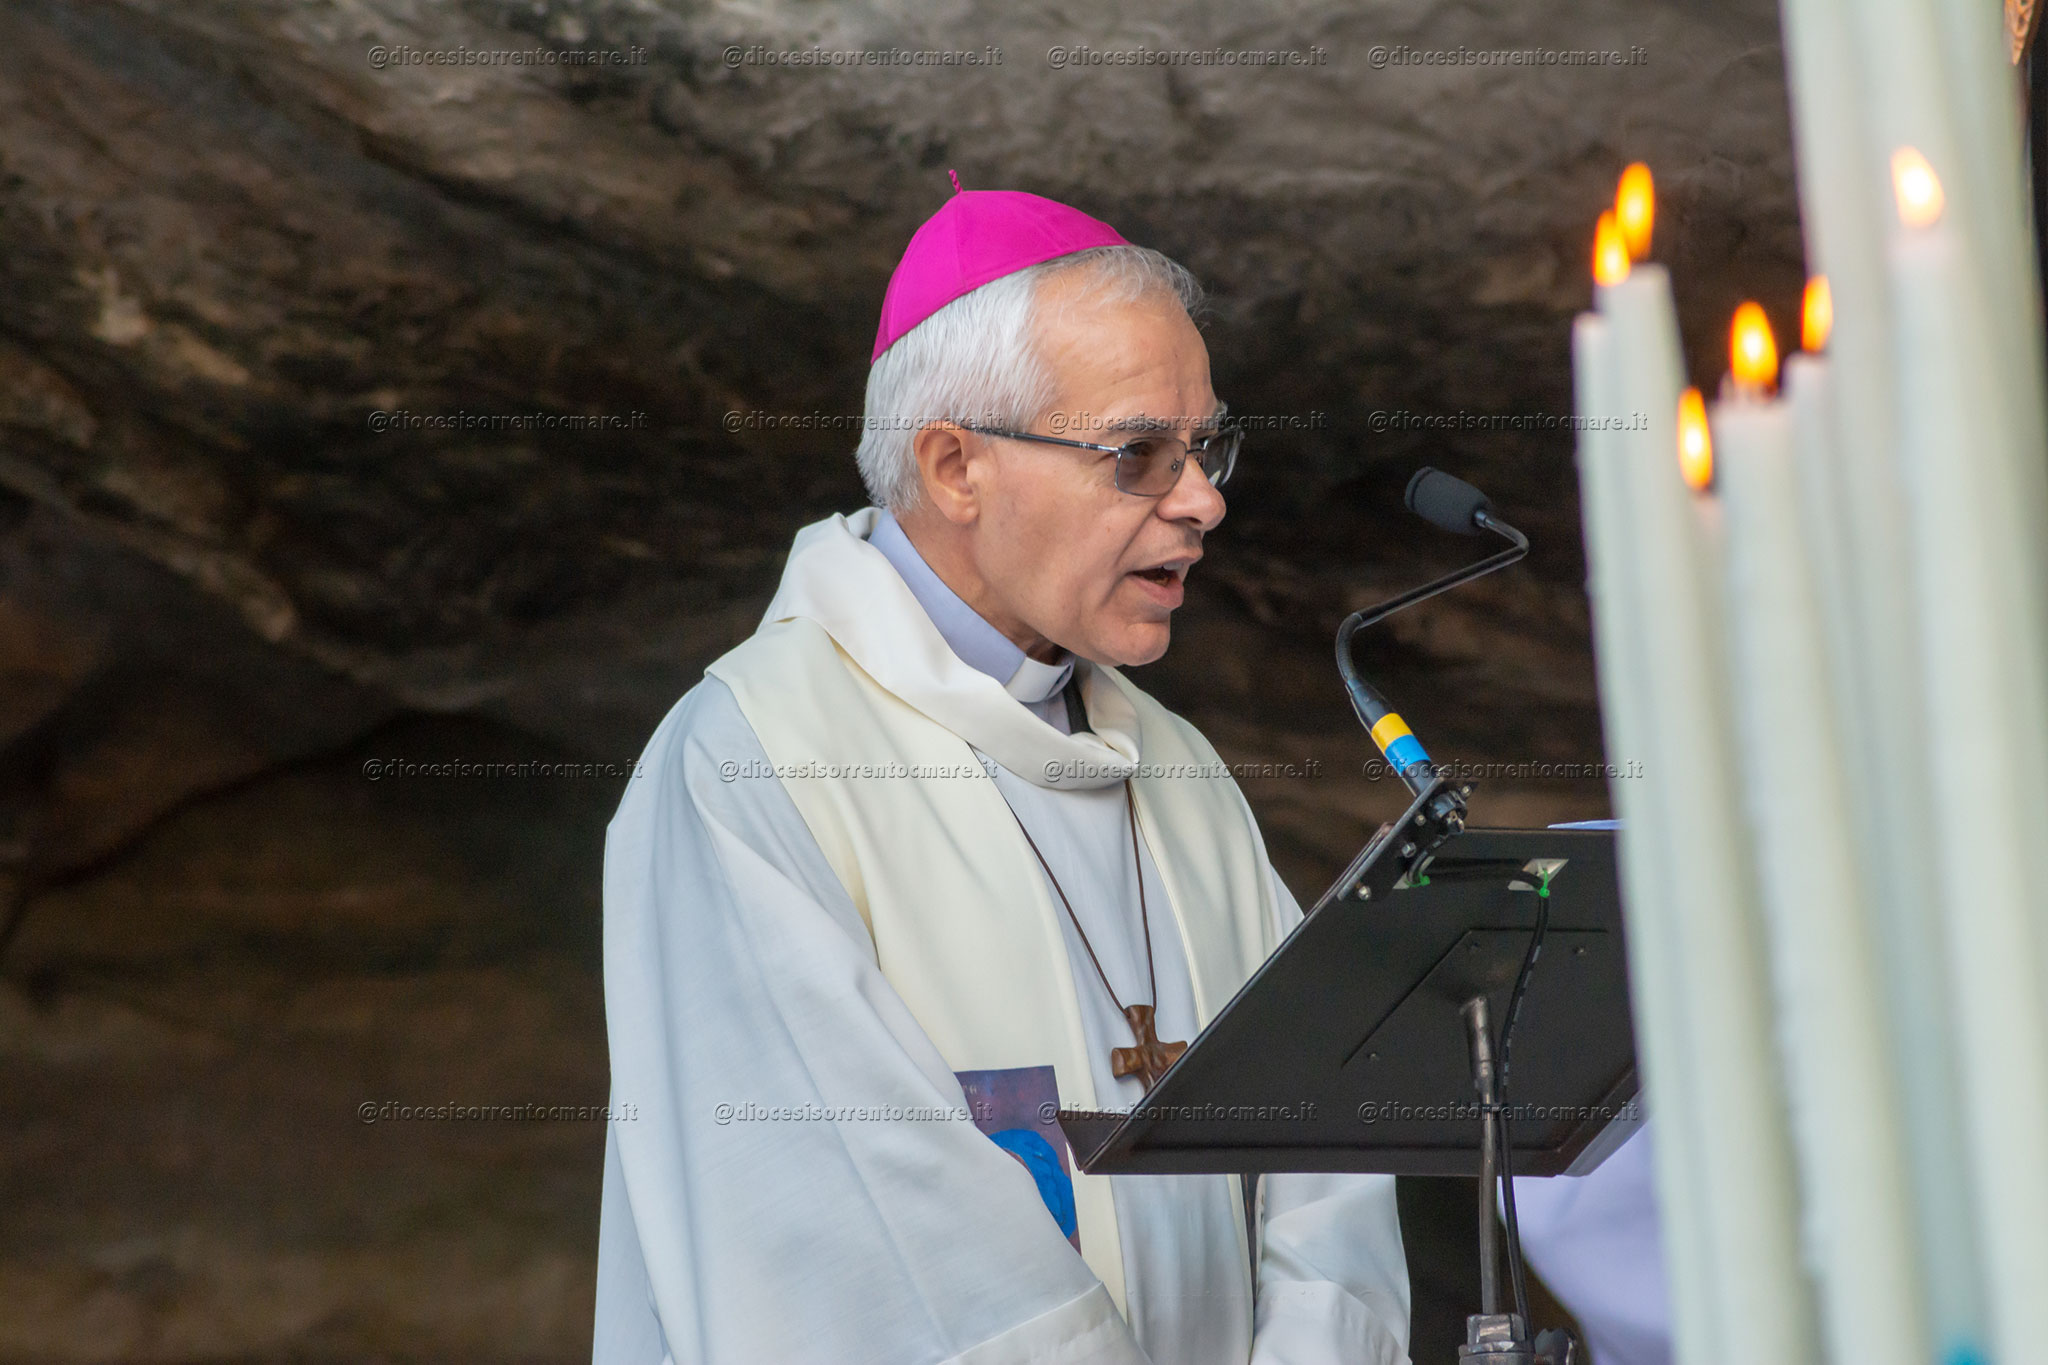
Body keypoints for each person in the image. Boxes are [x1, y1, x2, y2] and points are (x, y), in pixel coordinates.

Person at [593, 178, 1411, 1364]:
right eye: (1139, 453)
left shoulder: (1175, 768)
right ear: (953, 467)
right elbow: (855, 1233)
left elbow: (1316, 1146)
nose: (1203, 500)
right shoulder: (754, 762)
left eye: (1203, 448)